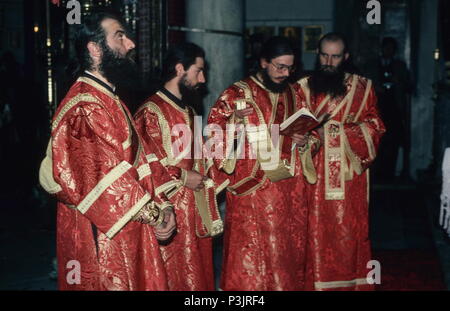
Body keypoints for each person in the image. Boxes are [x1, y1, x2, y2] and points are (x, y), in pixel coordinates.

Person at [39, 10, 177, 290]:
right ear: (94, 48)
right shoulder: (84, 105)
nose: (131, 45)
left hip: (129, 226)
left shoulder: (110, 99)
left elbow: (142, 160)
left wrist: (163, 203)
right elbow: (101, 177)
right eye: (120, 37)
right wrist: (156, 215)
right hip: (100, 234)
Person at [207, 36, 308, 290]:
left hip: (288, 190)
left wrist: (304, 140)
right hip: (251, 191)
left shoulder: (295, 93)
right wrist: (234, 124)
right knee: (250, 256)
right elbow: (212, 135)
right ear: (263, 62)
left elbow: (311, 135)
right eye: (279, 66)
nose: (285, 73)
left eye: (290, 68)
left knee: (285, 253)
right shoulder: (238, 93)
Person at [294, 32, 386, 290]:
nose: (328, 61)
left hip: (349, 177)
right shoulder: (301, 87)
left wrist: (333, 133)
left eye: (335, 56)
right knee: (311, 231)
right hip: (310, 171)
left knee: (348, 232)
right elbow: (290, 125)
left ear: (345, 57)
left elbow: (375, 127)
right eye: (324, 55)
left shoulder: (363, 88)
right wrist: (302, 137)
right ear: (318, 54)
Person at [134, 42, 228, 290]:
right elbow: (144, 163)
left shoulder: (187, 110)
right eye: (198, 70)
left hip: (195, 212)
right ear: (179, 69)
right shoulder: (151, 111)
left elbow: (200, 157)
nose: (203, 78)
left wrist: (230, 131)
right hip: (170, 214)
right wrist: (183, 176)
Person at [365, 37, 413, 182]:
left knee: (393, 141)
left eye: (391, 48)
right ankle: (376, 174)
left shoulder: (400, 66)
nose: (388, 51)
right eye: (386, 48)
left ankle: (390, 174)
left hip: (394, 108)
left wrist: (398, 83)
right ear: (382, 48)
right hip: (377, 107)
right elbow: (365, 83)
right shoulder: (372, 65)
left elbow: (408, 85)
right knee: (376, 140)